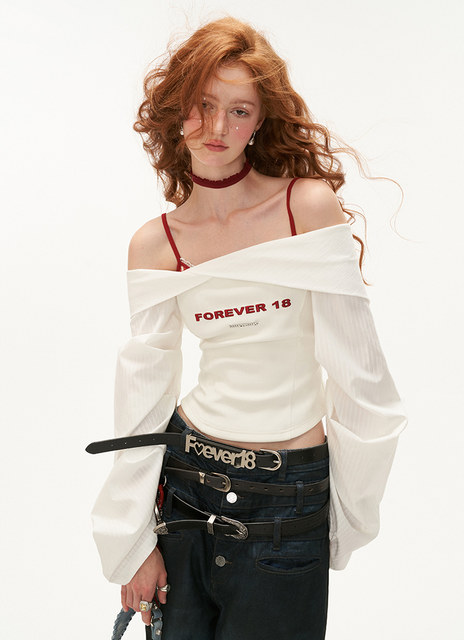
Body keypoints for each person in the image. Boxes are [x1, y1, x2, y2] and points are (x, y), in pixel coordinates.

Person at [88, 16, 408, 640]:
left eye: (239, 111)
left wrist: (345, 518)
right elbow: (142, 399)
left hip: (289, 497)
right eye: (204, 105)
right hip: (186, 491)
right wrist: (132, 542)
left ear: (260, 121)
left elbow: (362, 381)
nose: (217, 128)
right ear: (177, 108)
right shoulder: (156, 244)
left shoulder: (304, 207)